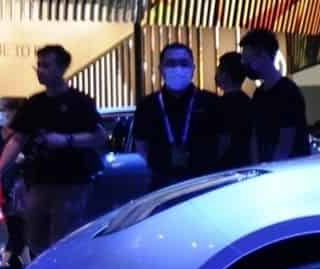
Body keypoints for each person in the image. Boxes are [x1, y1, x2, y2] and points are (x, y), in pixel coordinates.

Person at [0, 46, 106, 258]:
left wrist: (66, 140)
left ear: (61, 68)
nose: (40, 70)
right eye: (38, 65)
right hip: (38, 181)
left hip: (72, 181)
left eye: (46, 65)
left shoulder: (80, 102)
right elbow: (17, 139)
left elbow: (99, 136)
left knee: (63, 238)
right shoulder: (34, 103)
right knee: (36, 237)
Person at [133, 43, 223, 191]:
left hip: (204, 183)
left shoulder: (211, 102)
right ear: (161, 69)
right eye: (171, 63)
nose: (178, 68)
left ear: (193, 68)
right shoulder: (147, 105)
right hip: (160, 185)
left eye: (183, 63)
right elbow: (141, 146)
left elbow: (222, 142)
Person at [239, 29, 310, 163]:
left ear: (262, 54)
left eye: (247, 58)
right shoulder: (258, 93)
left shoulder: (288, 92)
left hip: (288, 169)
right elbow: (255, 135)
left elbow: (286, 141)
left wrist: (272, 168)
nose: (243, 63)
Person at [0, 97, 27, 269]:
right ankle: (25, 266)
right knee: (13, 229)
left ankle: (4, 265)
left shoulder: (24, 134)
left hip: (19, 186)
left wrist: (21, 159)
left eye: (2, 109)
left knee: (17, 227)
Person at [214, 51, 253, 169]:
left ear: (225, 75)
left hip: (225, 168)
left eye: (218, 70)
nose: (216, 74)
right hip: (246, 164)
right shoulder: (248, 102)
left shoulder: (221, 105)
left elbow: (223, 141)